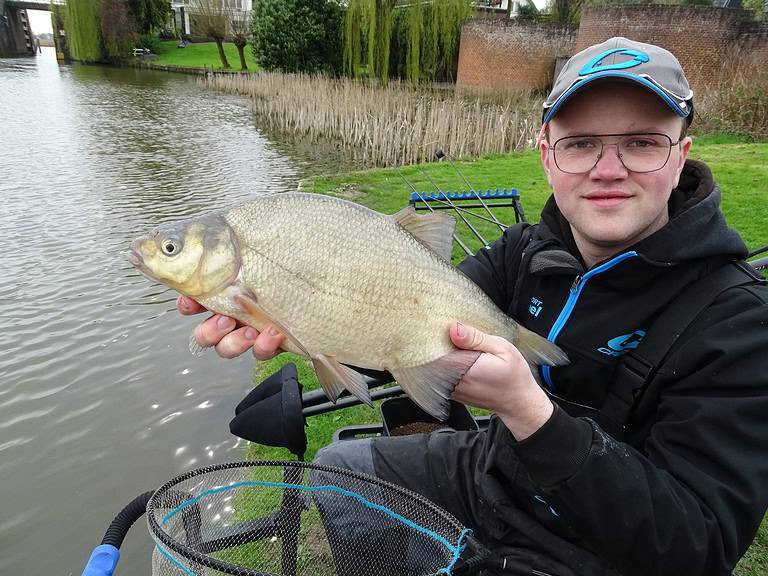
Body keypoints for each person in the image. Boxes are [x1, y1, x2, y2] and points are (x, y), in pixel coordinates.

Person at [177, 37, 768, 576]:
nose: (607, 170)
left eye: (642, 143)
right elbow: (412, 325)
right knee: (342, 471)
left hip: (608, 545)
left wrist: (528, 412)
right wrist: (310, 315)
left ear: (681, 153)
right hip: (498, 473)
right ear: (545, 154)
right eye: (581, 144)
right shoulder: (526, 252)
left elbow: (700, 544)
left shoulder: (738, 321)